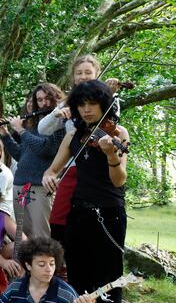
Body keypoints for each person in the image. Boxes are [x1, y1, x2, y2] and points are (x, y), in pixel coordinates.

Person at [42, 79, 129, 303]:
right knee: (79, 281)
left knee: (108, 284)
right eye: (82, 104)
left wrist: (111, 156)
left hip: (109, 215)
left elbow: (119, 180)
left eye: (93, 103)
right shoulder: (75, 135)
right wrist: (49, 177)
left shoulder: (117, 134)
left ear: (104, 104)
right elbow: (51, 170)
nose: (87, 109)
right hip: (78, 215)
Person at [38, 55, 120, 250]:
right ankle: (62, 265)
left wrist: (107, 94)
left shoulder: (108, 98)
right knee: (58, 220)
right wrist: (56, 114)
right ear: (73, 77)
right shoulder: (68, 102)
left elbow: (112, 126)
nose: (83, 77)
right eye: (79, 73)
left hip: (97, 169)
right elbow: (43, 129)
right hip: (71, 166)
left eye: (88, 73)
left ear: (97, 74)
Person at [0, 83, 65, 238]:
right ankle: (28, 263)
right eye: (40, 100)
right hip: (20, 184)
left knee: (42, 236)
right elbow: (21, 155)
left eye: (48, 98)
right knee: (25, 237)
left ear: (57, 98)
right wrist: (5, 135)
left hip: (40, 186)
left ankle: (45, 263)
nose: (44, 103)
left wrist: (20, 130)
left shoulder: (59, 124)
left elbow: (45, 149)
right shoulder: (35, 124)